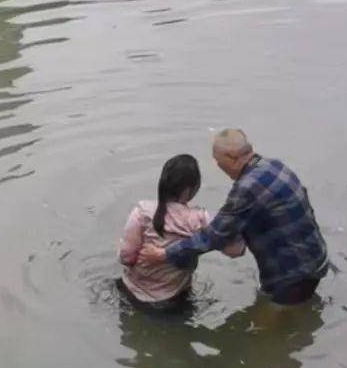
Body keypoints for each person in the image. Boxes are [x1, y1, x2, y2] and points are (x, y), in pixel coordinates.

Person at [139, 129, 328, 306]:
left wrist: (164, 254)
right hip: (315, 257)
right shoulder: (275, 166)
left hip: (291, 275)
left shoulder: (247, 188)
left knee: (267, 334)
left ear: (232, 158)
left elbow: (214, 235)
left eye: (218, 161)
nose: (218, 167)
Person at [118, 153, 245, 309]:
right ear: (188, 190)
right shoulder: (199, 220)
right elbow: (235, 250)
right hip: (172, 301)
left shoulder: (141, 211)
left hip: (130, 293)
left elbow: (126, 258)